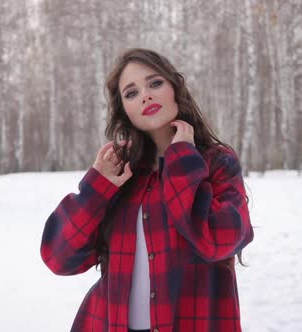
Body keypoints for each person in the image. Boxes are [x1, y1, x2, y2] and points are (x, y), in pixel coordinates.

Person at [40, 48, 254, 332]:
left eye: (155, 83)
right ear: (124, 110)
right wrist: (96, 190)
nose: (145, 95)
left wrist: (182, 163)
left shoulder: (216, 162)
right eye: (131, 93)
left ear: (174, 89)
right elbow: (59, 258)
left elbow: (219, 240)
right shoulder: (121, 172)